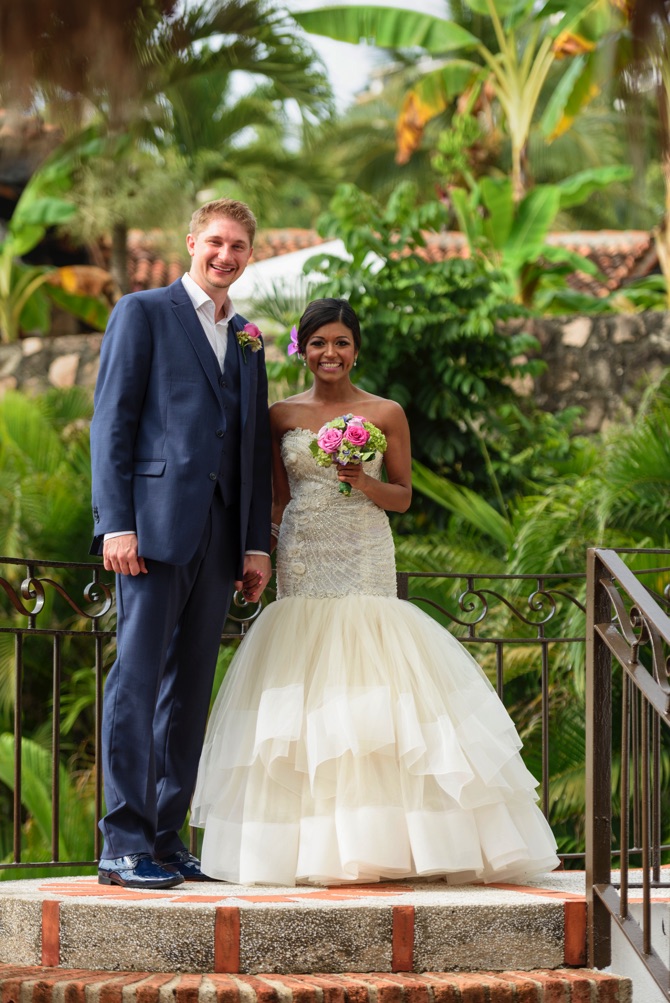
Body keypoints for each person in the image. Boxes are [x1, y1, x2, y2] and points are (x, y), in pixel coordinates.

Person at [191, 297, 559, 886]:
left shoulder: (385, 412)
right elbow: (278, 500)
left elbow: (404, 496)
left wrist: (363, 481)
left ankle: (398, 843)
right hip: (304, 555)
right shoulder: (280, 415)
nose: (329, 353)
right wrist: (260, 552)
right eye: (318, 342)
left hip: (365, 551)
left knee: (376, 684)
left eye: (341, 342)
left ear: (356, 350)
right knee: (305, 683)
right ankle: (309, 850)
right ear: (302, 350)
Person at [89, 198, 272, 889]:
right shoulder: (143, 312)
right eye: (216, 242)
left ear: (249, 255)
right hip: (152, 530)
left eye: (239, 246)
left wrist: (255, 544)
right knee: (136, 683)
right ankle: (122, 843)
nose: (226, 255)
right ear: (192, 242)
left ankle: (165, 839)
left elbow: (250, 445)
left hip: (220, 539)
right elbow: (113, 421)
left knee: (190, 690)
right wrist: (116, 523)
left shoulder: (248, 338)